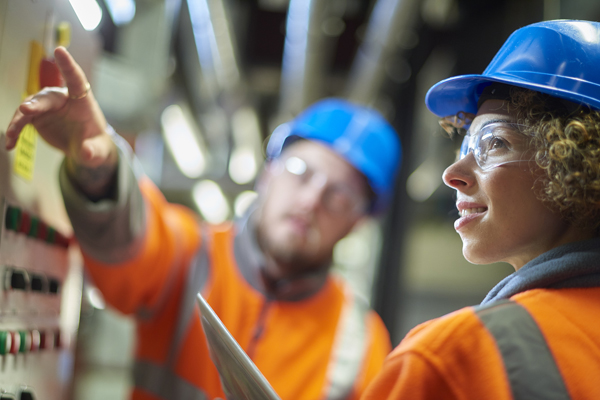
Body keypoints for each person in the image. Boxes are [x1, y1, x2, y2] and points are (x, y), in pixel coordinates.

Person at [5, 47, 401, 400]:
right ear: (269, 173)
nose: (311, 200)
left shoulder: (361, 344)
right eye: (300, 171)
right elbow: (132, 238)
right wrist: (100, 167)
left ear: (357, 223)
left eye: (340, 196)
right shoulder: (191, 253)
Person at [362, 19, 600, 400]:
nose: (452, 174)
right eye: (466, 145)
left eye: (495, 143)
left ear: (579, 159)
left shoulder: (452, 356)